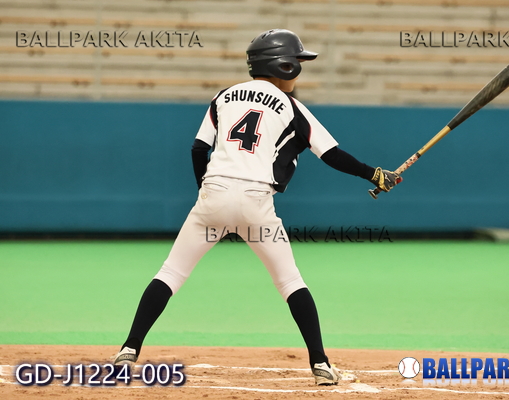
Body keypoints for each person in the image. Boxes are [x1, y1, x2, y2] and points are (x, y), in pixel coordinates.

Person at [113, 28, 401, 386]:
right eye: (297, 62)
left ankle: (129, 348)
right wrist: (375, 175)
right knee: (290, 281)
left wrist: (206, 191)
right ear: (284, 66)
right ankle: (320, 363)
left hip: (213, 194)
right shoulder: (293, 108)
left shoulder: (223, 96)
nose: (299, 69)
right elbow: (332, 155)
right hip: (255, 203)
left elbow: (198, 149)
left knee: (170, 273)